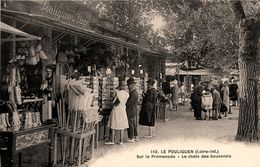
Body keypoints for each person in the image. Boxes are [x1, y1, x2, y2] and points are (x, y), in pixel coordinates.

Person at [105, 81, 129, 145]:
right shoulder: (127, 94)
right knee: (122, 125)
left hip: (116, 110)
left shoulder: (117, 93)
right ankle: (121, 140)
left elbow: (114, 102)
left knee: (114, 125)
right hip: (123, 110)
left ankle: (112, 140)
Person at [126, 77, 139, 143]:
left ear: (131, 85)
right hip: (133, 110)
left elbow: (129, 103)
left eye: (128, 86)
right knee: (133, 123)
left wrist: (125, 103)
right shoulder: (134, 92)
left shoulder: (133, 93)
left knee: (130, 123)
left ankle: (131, 137)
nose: (128, 87)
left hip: (130, 110)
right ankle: (136, 136)